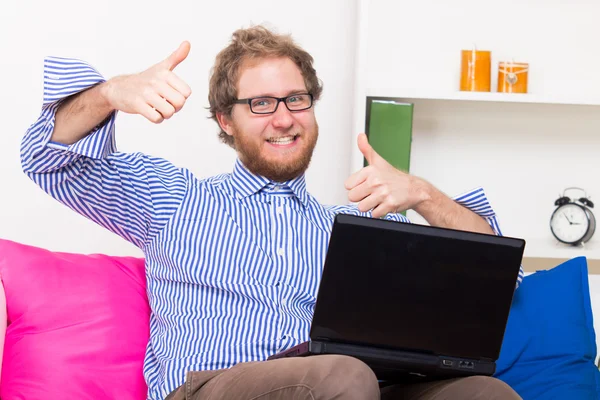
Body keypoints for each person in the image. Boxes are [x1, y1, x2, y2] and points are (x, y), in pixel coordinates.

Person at [21, 26, 523, 400]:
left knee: (485, 393)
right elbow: (44, 159)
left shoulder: (360, 226)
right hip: (216, 387)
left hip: (354, 387)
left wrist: (420, 194)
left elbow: (504, 273)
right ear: (226, 120)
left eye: (296, 99)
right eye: (261, 103)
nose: (284, 118)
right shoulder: (172, 198)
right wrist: (109, 94)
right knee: (342, 375)